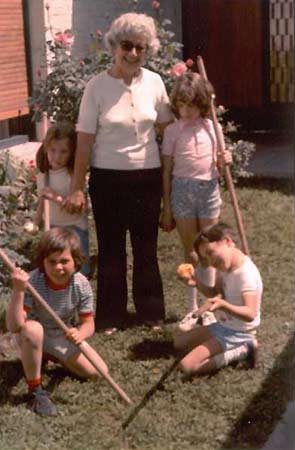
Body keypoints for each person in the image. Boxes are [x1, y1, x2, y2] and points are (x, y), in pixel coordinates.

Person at [63, 13, 174, 333]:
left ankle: (151, 313)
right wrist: (76, 187)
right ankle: (111, 316)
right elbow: (84, 142)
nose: (134, 54)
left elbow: (168, 132)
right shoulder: (96, 87)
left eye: (141, 48)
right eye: (127, 46)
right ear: (114, 46)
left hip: (147, 177)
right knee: (111, 248)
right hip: (107, 179)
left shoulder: (155, 82)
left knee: (145, 247)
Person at [6, 227, 109, 417]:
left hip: (61, 335)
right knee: (33, 330)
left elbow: (89, 324)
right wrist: (18, 290)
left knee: (98, 372)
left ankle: (49, 355)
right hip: (31, 334)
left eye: (64, 261)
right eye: (51, 262)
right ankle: (35, 390)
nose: (58, 268)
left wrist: (80, 334)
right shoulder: (33, 281)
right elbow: (14, 326)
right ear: (43, 262)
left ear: (76, 260)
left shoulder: (81, 284)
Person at [161, 72, 232, 330]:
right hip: (182, 190)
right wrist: (167, 206)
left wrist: (225, 160)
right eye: (182, 105)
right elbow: (167, 170)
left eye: (192, 105)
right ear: (176, 105)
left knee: (209, 249)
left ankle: (210, 305)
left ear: (203, 104)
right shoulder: (172, 131)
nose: (187, 111)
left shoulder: (213, 128)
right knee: (191, 250)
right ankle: (191, 308)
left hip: (208, 189)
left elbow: (221, 164)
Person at [173, 223, 262, 376]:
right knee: (178, 343)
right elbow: (216, 293)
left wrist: (223, 305)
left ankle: (243, 349)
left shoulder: (245, 275)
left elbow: (250, 314)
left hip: (238, 333)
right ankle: (221, 345)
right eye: (206, 258)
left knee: (186, 366)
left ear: (227, 241)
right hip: (222, 326)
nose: (211, 262)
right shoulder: (224, 268)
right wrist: (196, 283)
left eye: (210, 252)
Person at [35, 122, 91, 277]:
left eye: (63, 152)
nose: (57, 156)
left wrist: (55, 197)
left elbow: (78, 207)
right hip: (53, 227)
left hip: (75, 228)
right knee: (56, 270)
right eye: (52, 150)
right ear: (45, 148)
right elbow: (43, 199)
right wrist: (36, 221)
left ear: (72, 153)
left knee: (79, 271)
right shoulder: (44, 174)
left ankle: (79, 297)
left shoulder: (73, 175)